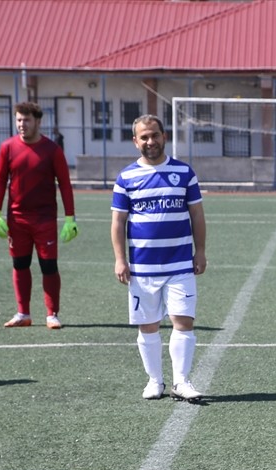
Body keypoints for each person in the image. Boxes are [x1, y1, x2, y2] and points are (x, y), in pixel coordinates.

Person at [111, 114, 207, 402]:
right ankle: (155, 381)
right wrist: (119, 259)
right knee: (148, 325)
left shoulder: (184, 172)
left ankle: (181, 381)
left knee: (183, 322)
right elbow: (118, 222)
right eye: (144, 137)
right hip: (142, 267)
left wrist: (200, 251)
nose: (150, 141)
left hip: (180, 265)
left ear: (164, 136)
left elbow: (197, 215)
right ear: (135, 141)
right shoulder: (126, 177)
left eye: (155, 135)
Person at [0, 101, 77, 330]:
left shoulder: (52, 150)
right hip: (17, 219)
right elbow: (0, 180)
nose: (22, 124)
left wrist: (70, 218)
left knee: (48, 266)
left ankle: (52, 314)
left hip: (45, 219)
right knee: (20, 264)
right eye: (18, 119)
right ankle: (23, 314)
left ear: (38, 121)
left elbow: (65, 185)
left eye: (26, 120)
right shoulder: (7, 147)